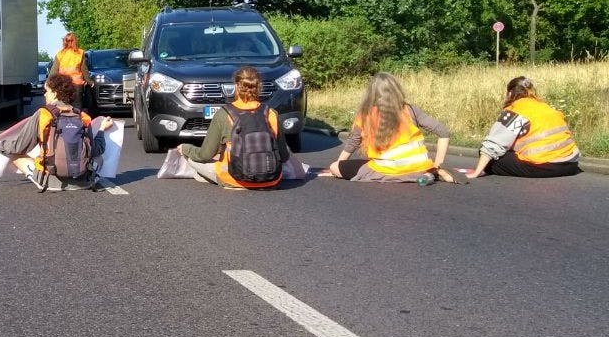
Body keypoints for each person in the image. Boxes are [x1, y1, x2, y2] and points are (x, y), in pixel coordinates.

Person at [176, 67, 304, 189]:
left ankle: (206, 176)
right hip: (271, 179)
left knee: (193, 160)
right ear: (259, 88)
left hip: (233, 178)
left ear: (236, 87)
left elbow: (205, 155)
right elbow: (284, 156)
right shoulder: (271, 113)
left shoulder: (224, 114)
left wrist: (185, 149)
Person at [0, 74, 112, 191]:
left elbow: (19, 146)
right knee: (97, 157)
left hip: (51, 182)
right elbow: (96, 150)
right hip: (84, 182)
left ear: (54, 94)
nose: (44, 94)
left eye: (46, 91)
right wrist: (101, 129)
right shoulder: (83, 116)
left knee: (15, 155)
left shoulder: (43, 114)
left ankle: (42, 177)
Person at [327, 72, 465, 184]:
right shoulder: (409, 109)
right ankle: (432, 172)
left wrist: (339, 164)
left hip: (387, 167)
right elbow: (443, 132)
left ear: (371, 93)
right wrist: (438, 164)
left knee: (335, 168)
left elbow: (353, 142)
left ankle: (405, 177)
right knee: (409, 168)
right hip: (419, 164)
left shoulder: (365, 114)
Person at [467, 76, 580, 178]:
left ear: (510, 93)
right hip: (571, 164)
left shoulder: (516, 111)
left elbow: (493, 145)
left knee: (490, 159)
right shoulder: (545, 106)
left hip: (545, 166)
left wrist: (477, 172)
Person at [50, 32, 92, 109]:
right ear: (75, 41)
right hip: (77, 85)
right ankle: (77, 120)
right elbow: (84, 69)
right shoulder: (80, 53)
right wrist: (90, 82)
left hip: (63, 85)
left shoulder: (60, 54)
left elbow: (54, 71)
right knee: (77, 107)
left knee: (63, 107)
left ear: (64, 42)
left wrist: (48, 83)